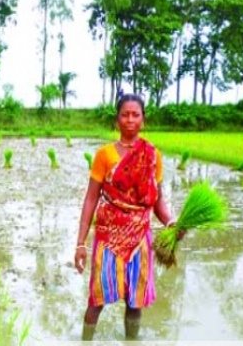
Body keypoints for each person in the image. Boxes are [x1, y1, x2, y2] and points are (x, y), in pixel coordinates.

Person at [74, 93, 183, 341]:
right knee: (96, 300)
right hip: (108, 239)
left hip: (140, 241)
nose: (130, 119)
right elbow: (91, 199)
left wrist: (171, 222)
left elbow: (157, 201)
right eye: (125, 114)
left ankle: (131, 341)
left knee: (135, 303)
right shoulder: (104, 155)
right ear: (117, 120)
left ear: (143, 120)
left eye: (136, 114)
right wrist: (81, 243)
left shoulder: (153, 155)